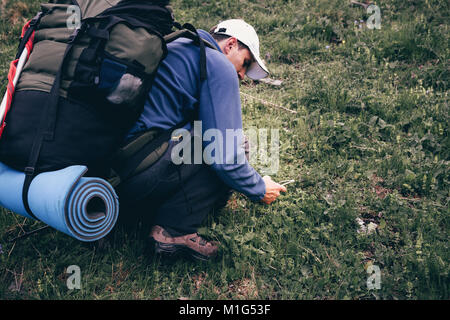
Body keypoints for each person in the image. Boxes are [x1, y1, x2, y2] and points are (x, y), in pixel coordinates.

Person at [117, 19, 287, 261]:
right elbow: (226, 155)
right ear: (230, 45)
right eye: (245, 63)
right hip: (138, 173)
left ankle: (144, 212)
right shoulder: (217, 64)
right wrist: (259, 188)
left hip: (115, 171)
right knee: (235, 145)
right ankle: (173, 231)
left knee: (212, 140)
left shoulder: (180, 44)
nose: (242, 75)